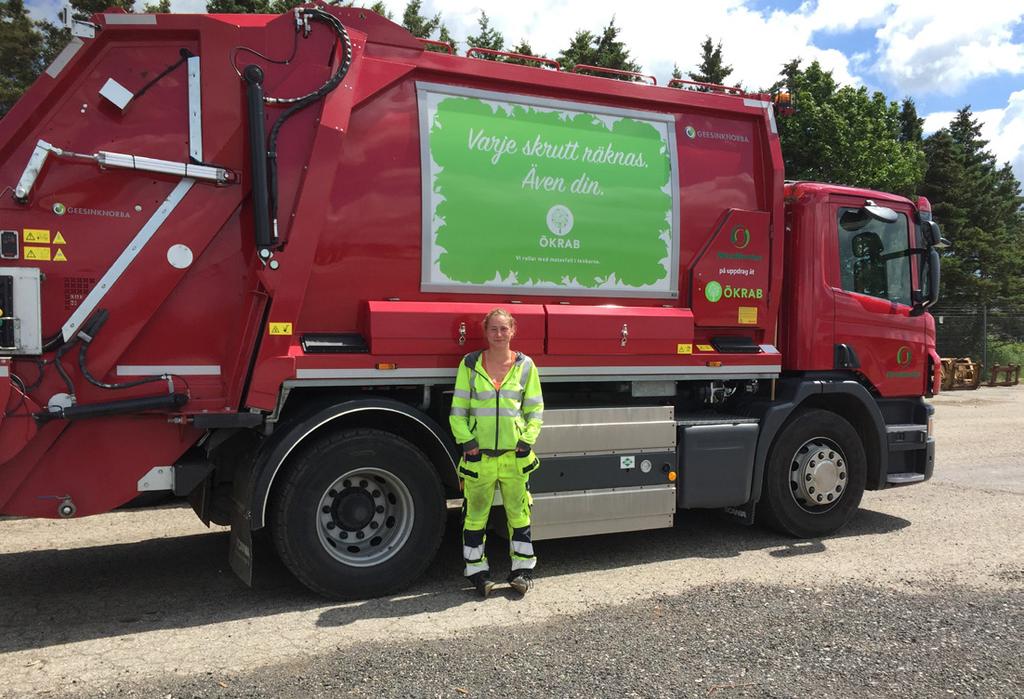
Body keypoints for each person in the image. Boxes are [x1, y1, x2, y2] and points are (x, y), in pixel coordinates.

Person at [450, 308, 544, 597]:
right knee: (474, 519)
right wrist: (468, 443)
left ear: (513, 330)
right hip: (480, 459)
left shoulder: (526, 366)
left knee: (520, 516)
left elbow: (534, 410)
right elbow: (458, 411)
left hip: (515, 457)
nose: (499, 334)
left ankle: (522, 572)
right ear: (485, 331)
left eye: (504, 328)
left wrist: (526, 441)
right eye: (494, 329)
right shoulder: (469, 364)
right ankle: (478, 574)